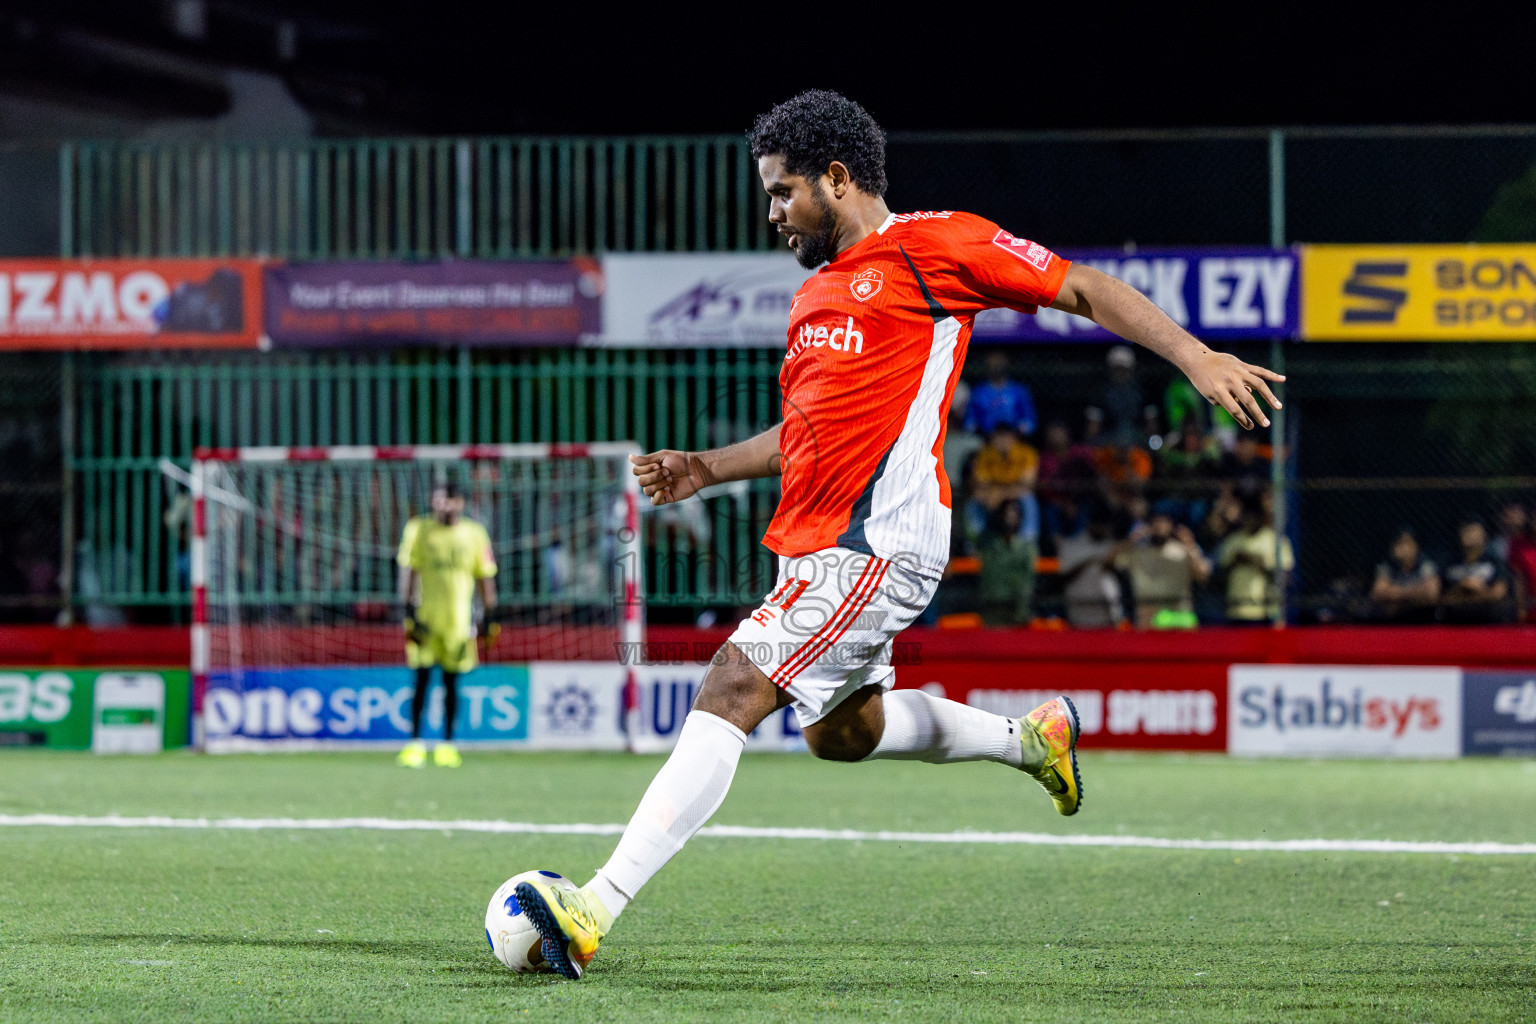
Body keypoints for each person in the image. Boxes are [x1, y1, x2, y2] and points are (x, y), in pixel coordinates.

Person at [513, 90, 1285, 980]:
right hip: (820, 549)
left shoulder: (935, 245)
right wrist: (707, 467)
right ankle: (1029, 740)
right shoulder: (813, 299)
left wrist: (1195, 357)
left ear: (837, 180)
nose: (771, 213)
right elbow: (808, 432)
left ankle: (593, 906)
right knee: (841, 732)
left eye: (782, 192)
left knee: (731, 685)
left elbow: (1080, 284)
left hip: (877, 544)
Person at [394, 480, 497, 769]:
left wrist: (490, 615)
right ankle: (414, 744)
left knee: (452, 683)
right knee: (421, 681)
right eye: (438, 500)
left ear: (461, 503)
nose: (443, 505)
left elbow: (485, 575)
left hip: (459, 622)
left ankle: (447, 745)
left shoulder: (474, 534)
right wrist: (408, 612)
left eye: (449, 500)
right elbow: (409, 569)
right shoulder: (419, 529)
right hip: (425, 618)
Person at [1116, 511, 1212, 628]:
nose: (1159, 526)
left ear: (1171, 526)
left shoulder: (1183, 551)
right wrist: (1132, 539)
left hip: (1179, 619)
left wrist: (1190, 545)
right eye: (1155, 522)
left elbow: (1203, 575)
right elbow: (1110, 562)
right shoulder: (1137, 552)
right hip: (1148, 622)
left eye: (1164, 522)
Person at [1216, 495, 1293, 623]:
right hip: (1236, 611)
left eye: (1254, 515)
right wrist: (1235, 562)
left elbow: (1286, 578)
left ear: (1261, 517)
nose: (1249, 519)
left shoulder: (1276, 541)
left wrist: (1256, 561)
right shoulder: (1232, 541)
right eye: (1246, 515)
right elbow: (1219, 576)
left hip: (1266, 612)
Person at [1440, 518, 1514, 624]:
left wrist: (1476, 590)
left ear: (1485, 535)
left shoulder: (1495, 563)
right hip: (1455, 623)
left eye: (1473, 530)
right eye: (1466, 530)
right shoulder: (1450, 565)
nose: (1469, 534)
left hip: (1489, 623)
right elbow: (1441, 597)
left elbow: (1498, 593)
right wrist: (1462, 586)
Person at [978, 499, 1038, 626]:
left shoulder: (1026, 548)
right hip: (992, 611)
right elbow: (988, 579)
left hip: (1017, 611)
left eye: (1014, 513)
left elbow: (1027, 582)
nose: (1010, 516)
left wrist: (1022, 611)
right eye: (1006, 513)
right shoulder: (990, 546)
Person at [1368, 528, 1440, 623]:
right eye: (1399, 544)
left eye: (1407, 543)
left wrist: (1396, 592)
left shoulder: (1425, 564)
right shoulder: (1387, 566)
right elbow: (1378, 593)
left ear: (1416, 546)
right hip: (1392, 618)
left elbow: (1432, 594)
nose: (1403, 548)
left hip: (1422, 618)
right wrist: (1416, 592)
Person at [963, 350, 1038, 437]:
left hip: (1014, 439)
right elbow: (969, 421)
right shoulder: (979, 392)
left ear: (1006, 364)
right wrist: (980, 431)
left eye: (999, 362)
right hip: (985, 439)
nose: (996, 366)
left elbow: (1030, 420)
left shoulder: (1019, 391)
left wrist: (1018, 432)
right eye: (993, 363)